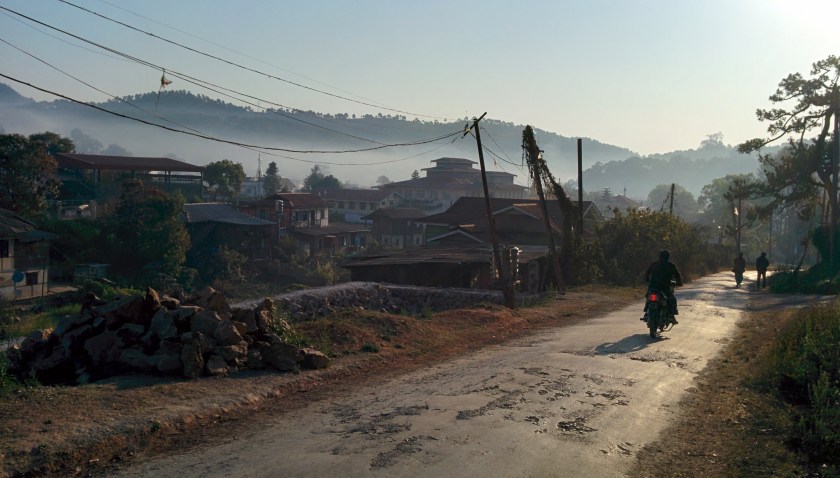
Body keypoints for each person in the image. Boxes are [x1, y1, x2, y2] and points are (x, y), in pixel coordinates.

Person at [644, 250, 684, 324]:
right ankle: (671, 315)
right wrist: (679, 282)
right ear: (668, 257)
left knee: (648, 297)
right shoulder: (671, 265)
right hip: (664, 287)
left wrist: (647, 280)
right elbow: (677, 275)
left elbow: (647, 272)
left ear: (659, 256)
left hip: (653, 287)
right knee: (672, 300)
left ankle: (646, 312)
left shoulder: (654, 264)